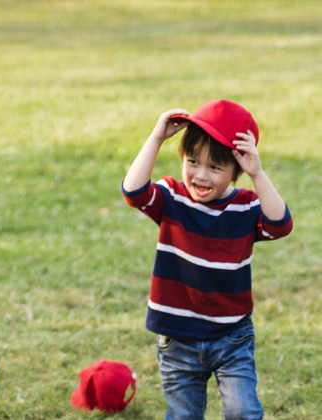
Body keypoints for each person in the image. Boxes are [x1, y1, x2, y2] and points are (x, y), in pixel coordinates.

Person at [121, 100, 291, 419]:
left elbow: (280, 225)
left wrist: (258, 172)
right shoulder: (172, 197)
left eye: (215, 167)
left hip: (232, 337)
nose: (200, 175)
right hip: (178, 339)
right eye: (193, 161)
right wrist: (156, 138)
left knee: (243, 412)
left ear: (236, 170)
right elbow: (133, 192)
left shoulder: (245, 207)